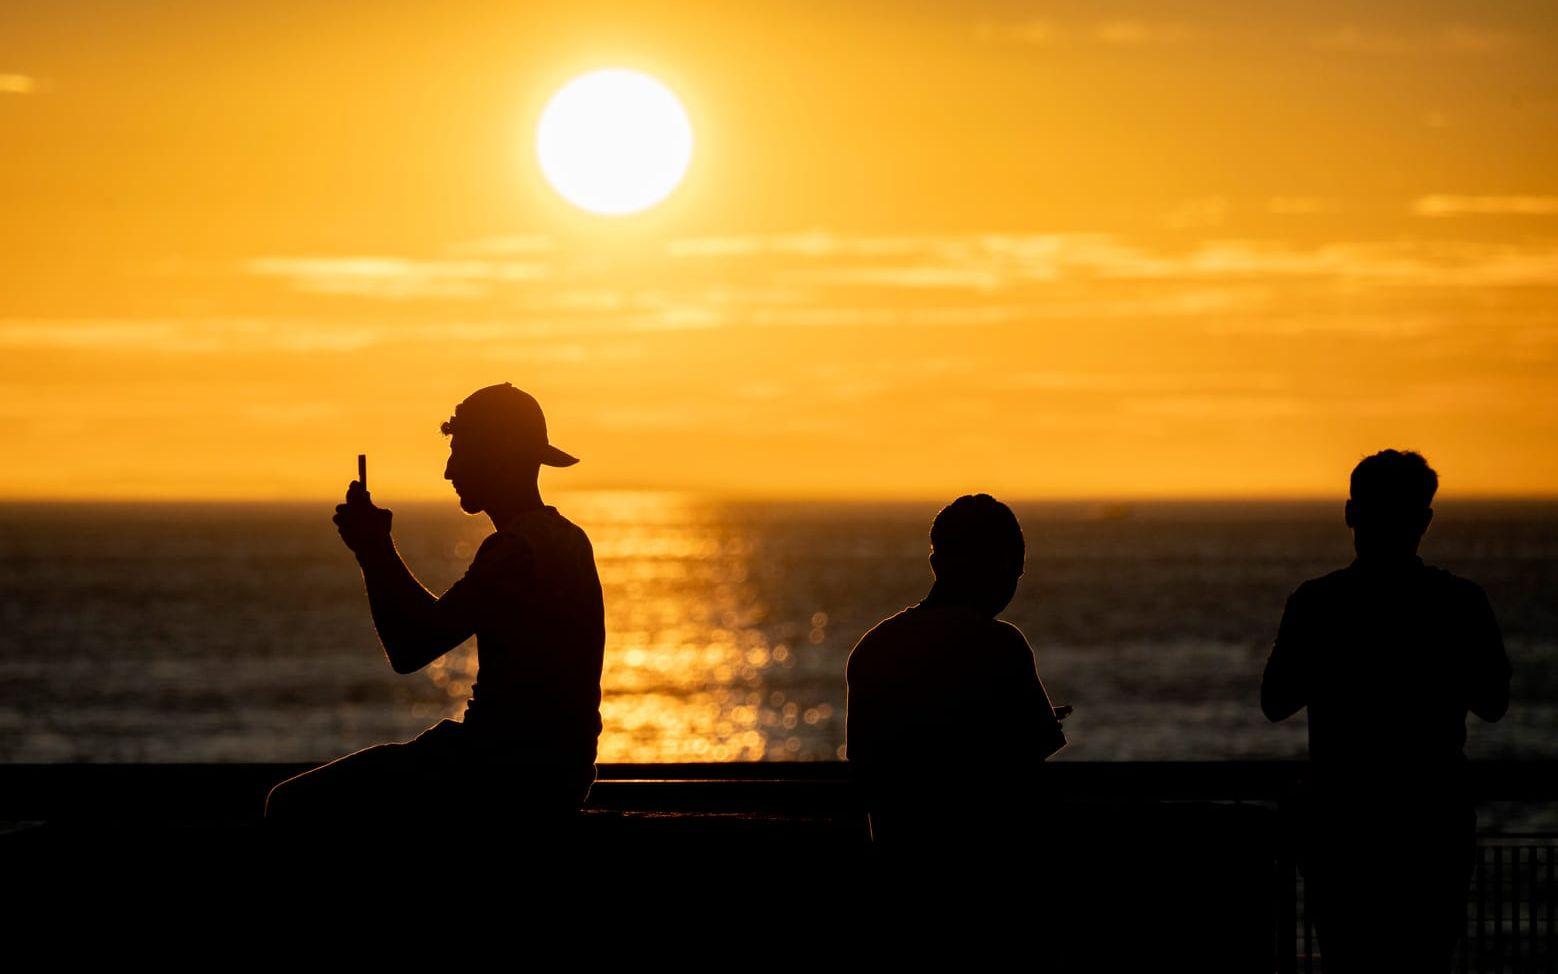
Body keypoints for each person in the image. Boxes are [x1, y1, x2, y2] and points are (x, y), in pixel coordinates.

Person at [265, 383, 604, 831]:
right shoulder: (567, 539)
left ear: (495, 455)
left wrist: (374, 550)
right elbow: (432, 627)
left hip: (502, 776)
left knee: (290, 804)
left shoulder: (514, 551)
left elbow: (412, 646)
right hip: (557, 777)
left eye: (459, 451)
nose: (448, 471)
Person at [1261, 450, 1511, 972]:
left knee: (1348, 960)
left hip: (1345, 827)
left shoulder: (1317, 602)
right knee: (1427, 959)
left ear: (1352, 514)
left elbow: (1275, 702)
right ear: (1424, 520)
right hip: (1432, 825)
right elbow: (1494, 704)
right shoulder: (1461, 601)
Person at [845, 493, 1067, 863]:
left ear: (936, 563)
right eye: (1013, 571)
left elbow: (867, 769)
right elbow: (1026, 771)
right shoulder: (1001, 646)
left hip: (898, 852)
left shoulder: (873, 648)